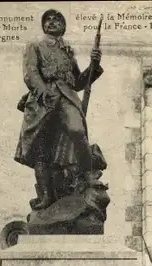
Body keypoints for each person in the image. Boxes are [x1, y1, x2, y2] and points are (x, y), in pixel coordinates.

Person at [15, 9, 103, 210]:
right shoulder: (35, 46)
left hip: (66, 97)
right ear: (44, 25)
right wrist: (44, 92)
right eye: (48, 19)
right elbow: (31, 73)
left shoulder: (68, 52)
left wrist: (94, 64)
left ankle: (87, 176)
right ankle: (46, 196)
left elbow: (79, 82)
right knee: (41, 149)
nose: (52, 22)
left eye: (57, 19)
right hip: (43, 100)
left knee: (77, 131)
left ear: (63, 27)